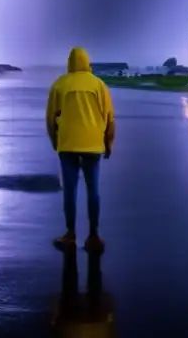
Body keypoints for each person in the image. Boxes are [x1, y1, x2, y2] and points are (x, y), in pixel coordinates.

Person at [46, 47, 116, 252]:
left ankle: (70, 234)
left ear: (70, 63)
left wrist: (55, 142)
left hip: (67, 145)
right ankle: (94, 235)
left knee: (70, 190)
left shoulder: (60, 84)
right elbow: (109, 118)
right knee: (93, 191)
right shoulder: (99, 85)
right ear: (88, 62)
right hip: (93, 146)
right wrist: (108, 145)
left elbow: (50, 119)